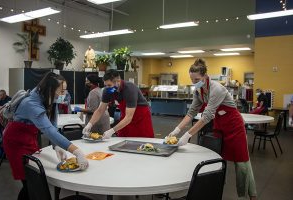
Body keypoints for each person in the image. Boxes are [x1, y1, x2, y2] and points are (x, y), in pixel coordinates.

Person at [168, 59, 257, 200]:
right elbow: (191, 113)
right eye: (191, 79)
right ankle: (214, 188)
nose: (194, 82)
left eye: (196, 79)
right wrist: (176, 130)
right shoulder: (198, 90)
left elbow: (207, 116)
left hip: (234, 126)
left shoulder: (217, 89)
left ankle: (251, 196)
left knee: (242, 164)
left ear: (205, 76)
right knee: (216, 159)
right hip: (220, 126)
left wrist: (187, 135)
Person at [3, 72, 89, 200]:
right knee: (29, 182)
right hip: (15, 141)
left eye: (65, 90)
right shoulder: (31, 103)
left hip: (29, 138)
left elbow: (53, 124)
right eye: (61, 91)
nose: (63, 95)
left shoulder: (48, 97)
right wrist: (77, 151)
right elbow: (49, 130)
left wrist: (56, 145)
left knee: (33, 179)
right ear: (50, 89)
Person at [83, 69, 154, 138]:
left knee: (143, 141)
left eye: (109, 85)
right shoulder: (107, 90)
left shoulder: (130, 89)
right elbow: (100, 110)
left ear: (118, 82)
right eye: (105, 85)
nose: (107, 88)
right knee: (122, 140)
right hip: (125, 117)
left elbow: (129, 117)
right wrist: (89, 124)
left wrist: (112, 131)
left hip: (140, 118)